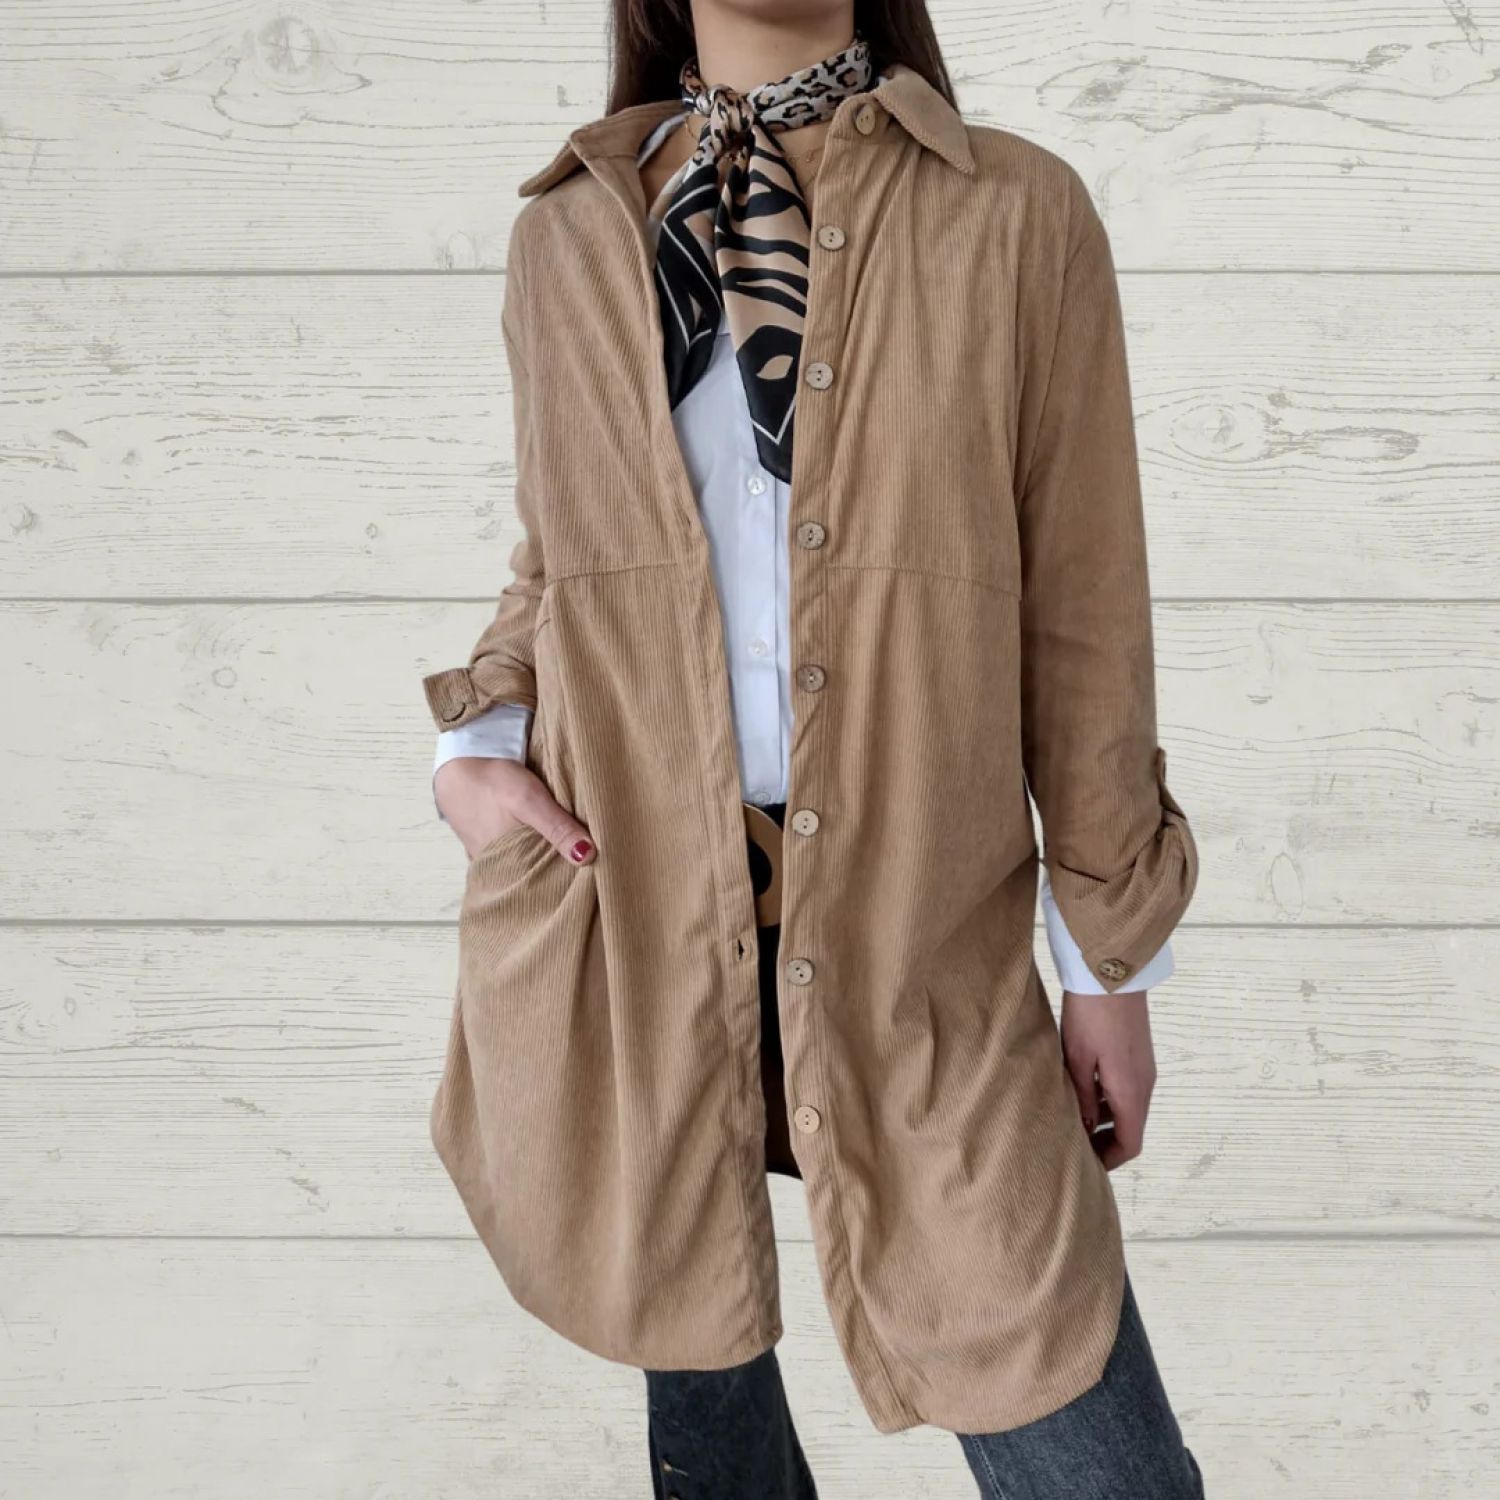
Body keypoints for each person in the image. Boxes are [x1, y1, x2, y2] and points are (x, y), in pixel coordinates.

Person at [423, 2, 1203, 1495]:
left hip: (925, 930)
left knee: (1095, 1450)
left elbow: (1084, 610)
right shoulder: (571, 234)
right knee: (713, 1445)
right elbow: (557, 562)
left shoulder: (1013, 213)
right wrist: (477, 746)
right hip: (632, 926)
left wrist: (1110, 961)